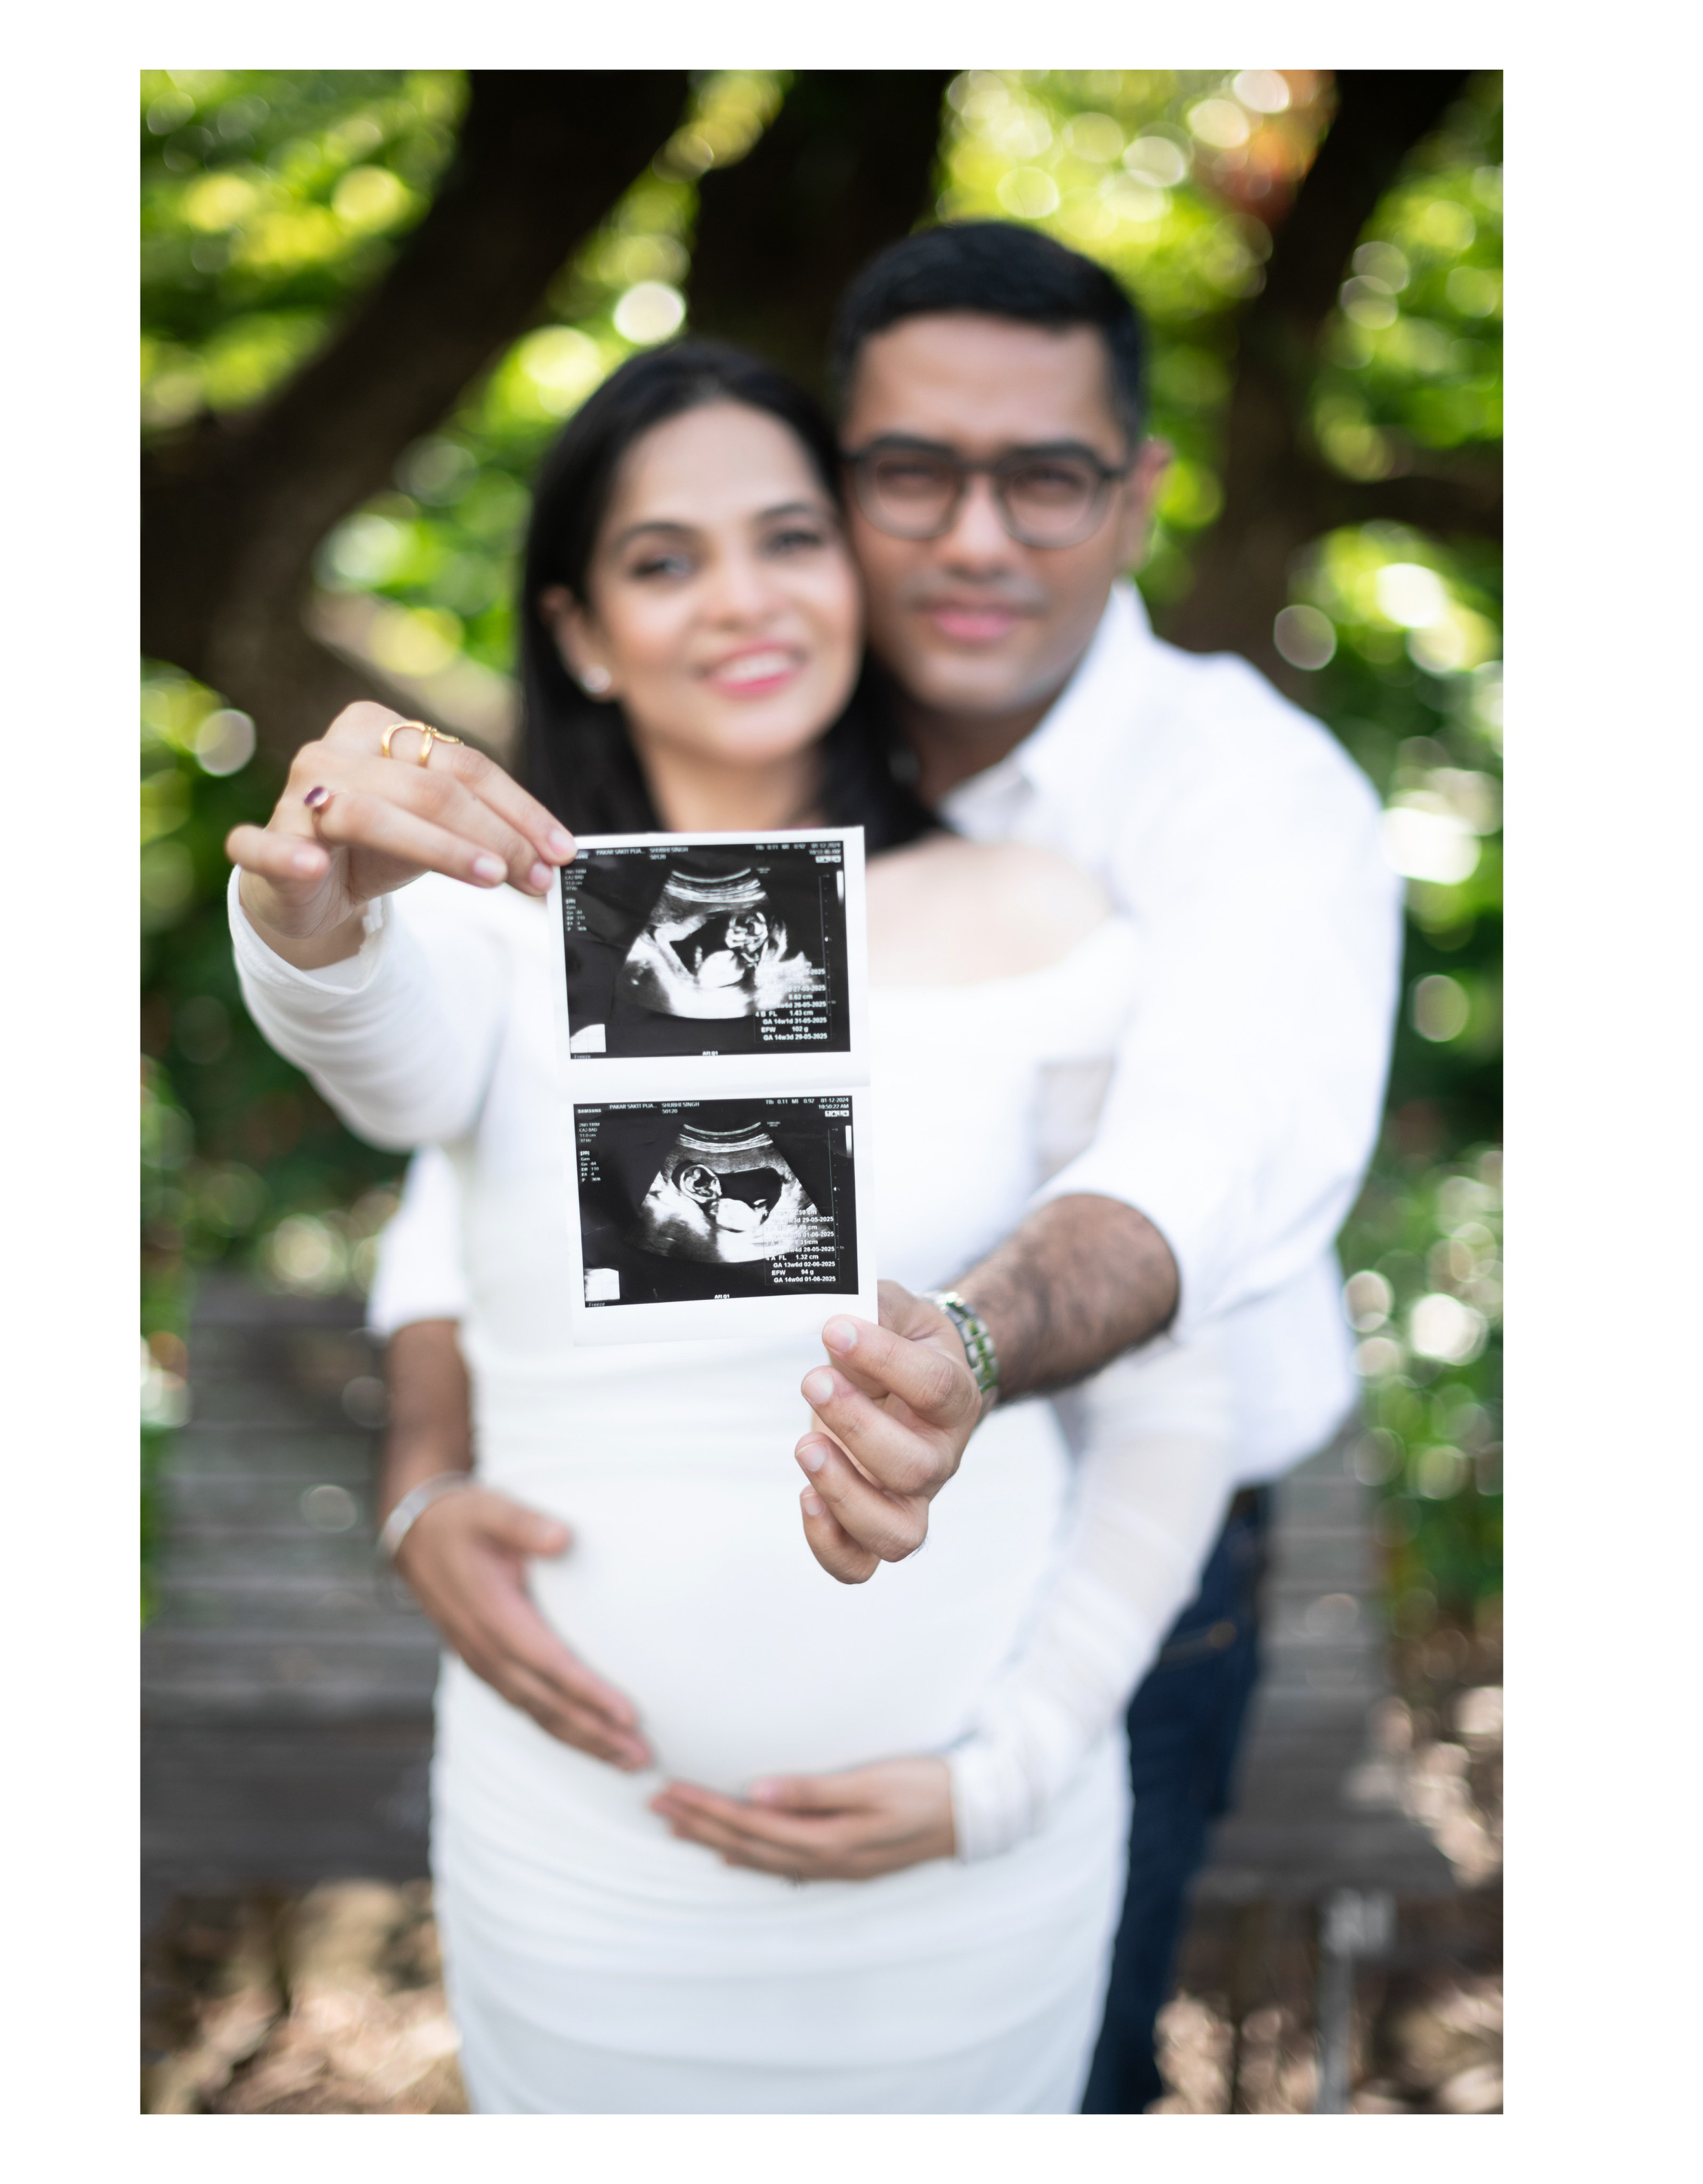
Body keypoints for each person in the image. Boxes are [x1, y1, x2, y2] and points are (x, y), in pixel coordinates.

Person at [357, 223, 1402, 2110]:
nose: (978, 539)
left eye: (1049, 474)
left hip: (1108, 1606)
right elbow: (494, 1151)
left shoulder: (1243, 797)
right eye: (914, 473)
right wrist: (431, 1467)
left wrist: (976, 1361)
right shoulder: (748, 773)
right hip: (611, 1859)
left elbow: (1208, 1164)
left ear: (1140, 491)